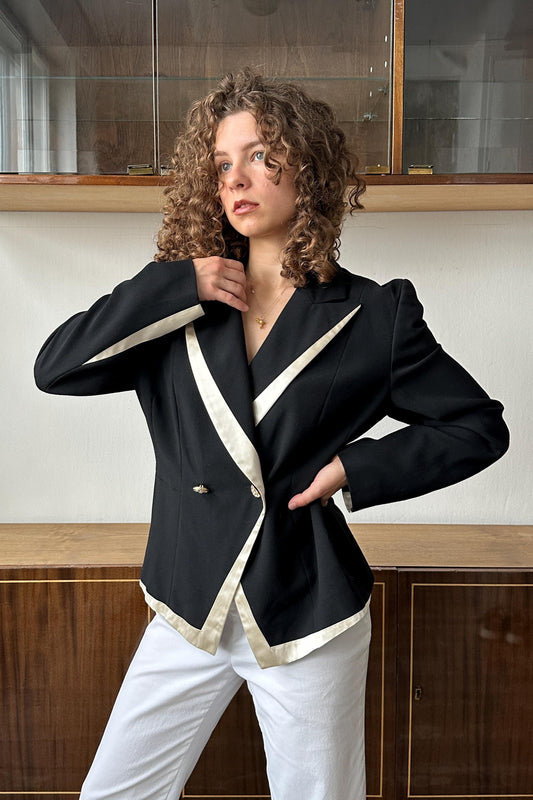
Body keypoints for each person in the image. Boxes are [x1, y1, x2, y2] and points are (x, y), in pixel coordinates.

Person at [34, 68, 509, 800]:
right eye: (221, 164)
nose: (236, 177)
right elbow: (55, 367)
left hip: (306, 613)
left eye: (259, 154)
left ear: (306, 167)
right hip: (188, 599)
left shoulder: (373, 316)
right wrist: (173, 285)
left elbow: (477, 427)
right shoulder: (178, 301)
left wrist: (356, 466)